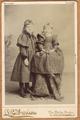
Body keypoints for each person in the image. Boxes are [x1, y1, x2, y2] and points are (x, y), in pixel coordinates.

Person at [30, 23, 64, 101]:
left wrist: (52, 50)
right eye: (45, 28)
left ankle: (54, 90)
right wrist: (43, 50)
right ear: (44, 29)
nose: (46, 30)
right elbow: (40, 45)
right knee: (41, 58)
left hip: (52, 51)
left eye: (48, 29)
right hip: (43, 51)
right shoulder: (41, 36)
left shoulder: (54, 36)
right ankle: (40, 92)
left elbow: (55, 45)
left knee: (53, 59)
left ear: (51, 29)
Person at [11, 19, 36, 97]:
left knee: (29, 73)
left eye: (31, 27)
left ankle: (27, 87)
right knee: (23, 73)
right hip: (24, 56)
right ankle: (22, 89)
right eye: (28, 27)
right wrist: (25, 58)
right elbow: (22, 48)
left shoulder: (33, 37)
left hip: (31, 57)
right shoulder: (23, 36)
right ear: (24, 27)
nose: (29, 29)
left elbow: (35, 46)